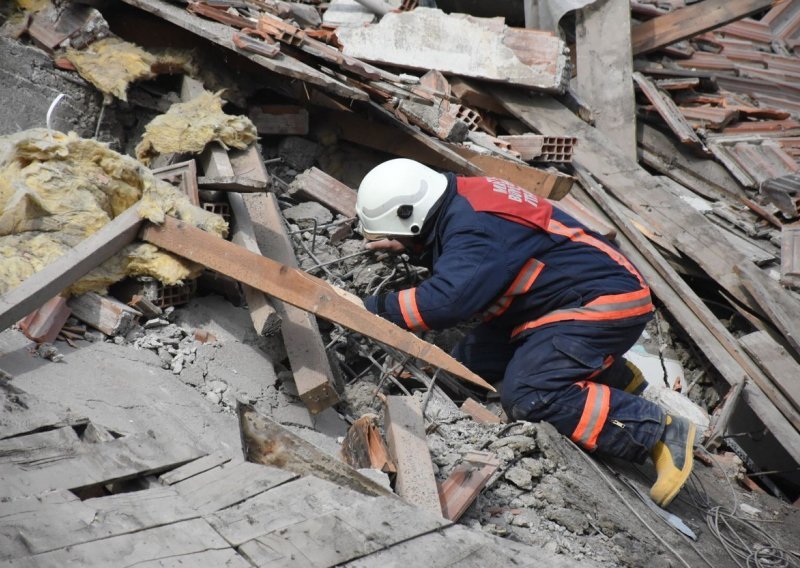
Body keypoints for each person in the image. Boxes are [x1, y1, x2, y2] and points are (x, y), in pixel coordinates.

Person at [355, 158, 696, 508]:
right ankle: (612, 376)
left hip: (601, 304)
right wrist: (408, 242)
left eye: (395, 235)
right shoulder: (459, 199)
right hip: (553, 302)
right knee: (462, 368)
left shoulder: (476, 230)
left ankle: (658, 430)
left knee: (530, 395)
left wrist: (372, 308)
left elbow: (445, 303)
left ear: (410, 217)